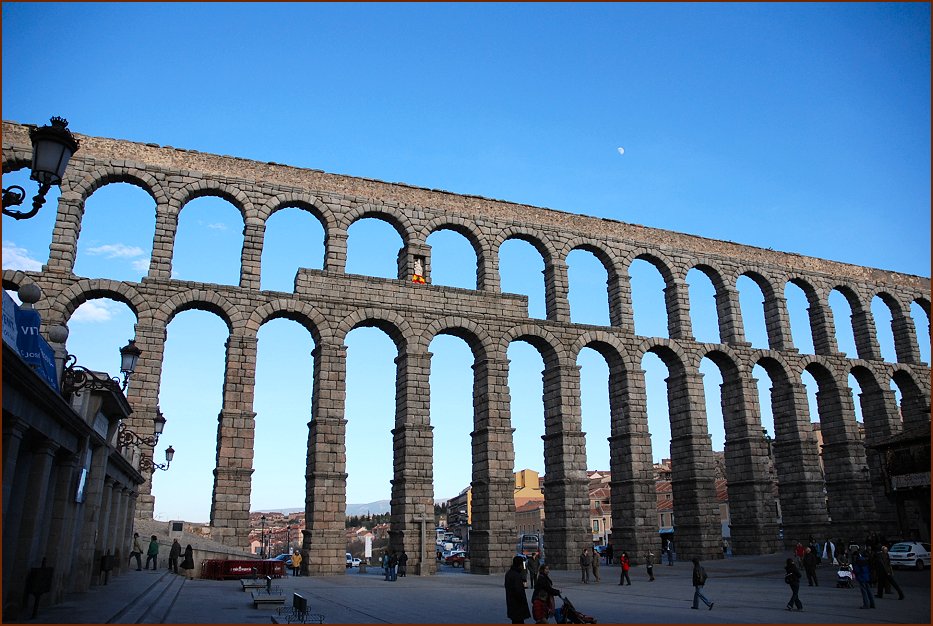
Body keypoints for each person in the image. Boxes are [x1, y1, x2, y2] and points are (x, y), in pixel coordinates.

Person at [505, 555, 531, 624]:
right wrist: (523, 602)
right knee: (519, 621)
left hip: (511, 603)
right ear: (519, 565)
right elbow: (519, 592)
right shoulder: (516, 575)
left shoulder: (509, 573)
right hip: (518, 605)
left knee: (515, 621)